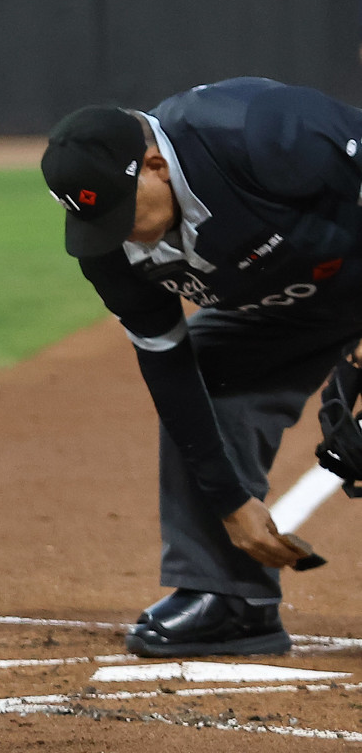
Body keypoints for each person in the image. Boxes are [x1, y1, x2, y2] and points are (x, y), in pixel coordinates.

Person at [40, 84, 358, 657]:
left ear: (157, 166)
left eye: (121, 210)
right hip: (285, 309)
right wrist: (231, 504)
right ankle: (231, 600)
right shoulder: (107, 246)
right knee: (213, 373)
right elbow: (170, 369)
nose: (118, 234)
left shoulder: (254, 133)